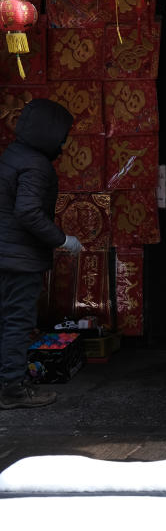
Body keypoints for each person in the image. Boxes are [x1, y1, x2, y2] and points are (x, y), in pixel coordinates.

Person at [0, 98, 81, 409]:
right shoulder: (36, 165)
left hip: (6, 254)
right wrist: (62, 239)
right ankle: (14, 389)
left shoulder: (13, 155)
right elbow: (28, 212)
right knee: (17, 322)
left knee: (6, 321)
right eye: (62, 134)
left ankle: (8, 382)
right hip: (19, 259)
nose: (64, 141)